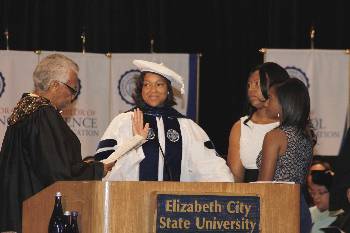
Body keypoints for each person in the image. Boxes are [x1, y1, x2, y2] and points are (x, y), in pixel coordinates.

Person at [0, 54, 113, 233]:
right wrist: (97, 169)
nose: (72, 97)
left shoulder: (24, 109)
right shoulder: (43, 114)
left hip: (17, 213)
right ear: (54, 85)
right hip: (38, 216)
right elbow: (57, 173)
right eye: (72, 89)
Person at [95, 59, 234, 182]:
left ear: (168, 90)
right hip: (131, 202)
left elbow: (208, 166)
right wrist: (134, 144)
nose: (152, 90)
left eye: (159, 84)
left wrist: (227, 187)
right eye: (146, 85)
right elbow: (105, 167)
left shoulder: (185, 126)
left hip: (173, 205)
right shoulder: (124, 121)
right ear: (140, 89)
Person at [256, 78, 316, 233]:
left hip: (277, 208)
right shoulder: (306, 135)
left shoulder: (275, 136)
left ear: (284, 104)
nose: (266, 102)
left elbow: (264, 186)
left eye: (271, 98)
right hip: (300, 207)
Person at [227, 62, 289, 182]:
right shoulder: (240, 127)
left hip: (287, 195)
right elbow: (235, 180)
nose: (251, 90)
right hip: (251, 197)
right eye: (249, 85)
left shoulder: (290, 124)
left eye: (257, 84)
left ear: (276, 87)